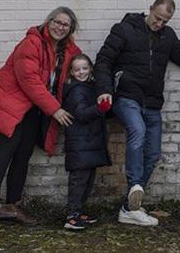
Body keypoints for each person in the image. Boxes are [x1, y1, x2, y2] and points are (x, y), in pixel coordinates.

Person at [94, 0, 180, 226]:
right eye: (157, 18)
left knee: (153, 153)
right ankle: (136, 186)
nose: (159, 24)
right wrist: (104, 89)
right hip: (126, 97)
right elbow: (104, 60)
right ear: (150, 9)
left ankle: (130, 208)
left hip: (152, 103)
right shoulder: (124, 29)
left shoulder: (167, 36)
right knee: (137, 132)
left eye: (164, 21)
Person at [0, 7, 80, 224]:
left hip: (33, 108)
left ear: (71, 29)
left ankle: (13, 205)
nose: (60, 27)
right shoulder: (31, 43)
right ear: (49, 21)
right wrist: (55, 109)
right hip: (9, 102)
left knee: (23, 153)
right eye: (57, 22)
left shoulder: (68, 51)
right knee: (9, 145)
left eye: (66, 25)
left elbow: (82, 67)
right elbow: (29, 81)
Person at [61, 54, 112, 230]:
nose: (81, 72)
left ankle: (78, 211)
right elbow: (81, 114)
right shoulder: (76, 90)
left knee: (87, 181)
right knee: (78, 181)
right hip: (79, 143)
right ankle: (71, 216)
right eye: (77, 69)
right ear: (71, 72)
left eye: (84, 68)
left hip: (88, 143)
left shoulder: (88, 87)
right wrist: (100, 109)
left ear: (90, 68)